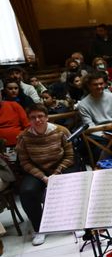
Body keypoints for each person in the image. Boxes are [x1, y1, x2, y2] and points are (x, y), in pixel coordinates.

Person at [15, 104, 75, 246]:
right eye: (33, 117)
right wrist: (43, 177)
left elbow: (70, 156)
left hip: (60, 167)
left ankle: (74, 222)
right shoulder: (23, 137)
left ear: (47, 117)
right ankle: (40, 228)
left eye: (40, 116)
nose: (37, 120)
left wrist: (56, 173)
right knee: (27, 191)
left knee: (72, 184)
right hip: (38, 171)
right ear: (29, 120)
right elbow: (24, 162)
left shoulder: (60, 131)